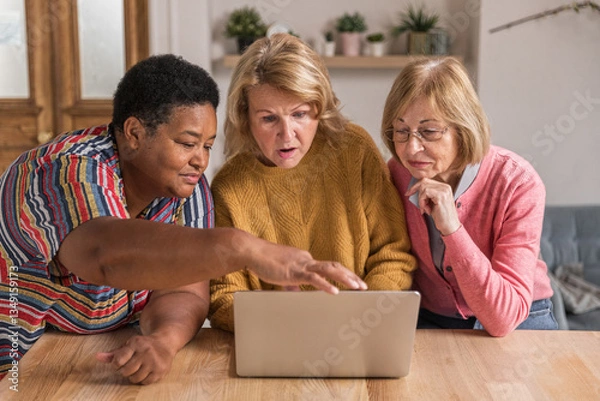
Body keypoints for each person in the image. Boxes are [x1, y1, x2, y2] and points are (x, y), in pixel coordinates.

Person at [0, 54, 367, 384]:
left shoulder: (185, 190)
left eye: (207, 146)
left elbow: (183, 290)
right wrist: (243, 247)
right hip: (15, 368)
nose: (201, 161)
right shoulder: (68, 171)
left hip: (86, 364)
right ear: (134, 134)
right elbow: (107, 255)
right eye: (187, 143)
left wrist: (164, 340)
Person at [208, 34, 417, 332]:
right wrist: (289, 325)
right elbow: (223, 297)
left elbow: (392, 254)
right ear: (245, 117)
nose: (287, 133)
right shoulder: (229, 188)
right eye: (269, 119)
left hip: (360, 330)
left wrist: (366, 314)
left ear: (320, 108)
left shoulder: (354, 149)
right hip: (274, 339)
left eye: (300, 114)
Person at [381, 57, 557, 337]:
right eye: (402, 131)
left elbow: (502, 320)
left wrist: (451, 228)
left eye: (429, 131)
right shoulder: (396, 173)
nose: (412, 148)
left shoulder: (517, 182)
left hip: (520, 320)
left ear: (463, 129)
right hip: (434, 319)